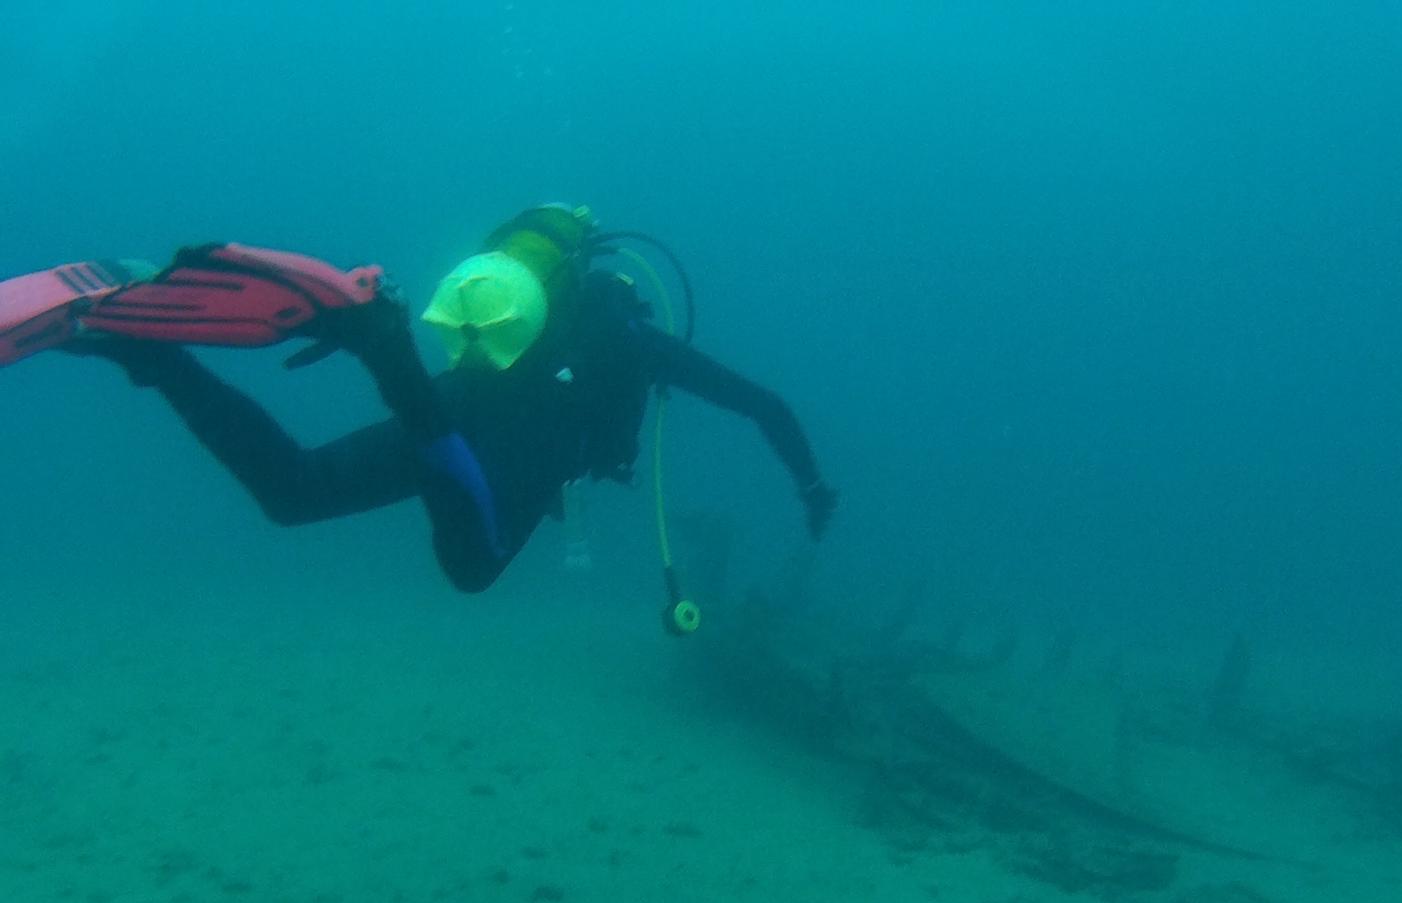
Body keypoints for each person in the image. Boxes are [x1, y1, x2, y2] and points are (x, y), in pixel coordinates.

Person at [1, 203, 838, 593]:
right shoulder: (628, 331)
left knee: (293, 494)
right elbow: (763, 404)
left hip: (453, 400)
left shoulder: (506, 319)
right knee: (472, 568)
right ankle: (385, 347)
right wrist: (811, 484)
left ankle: (153, 356)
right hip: (490, 436)